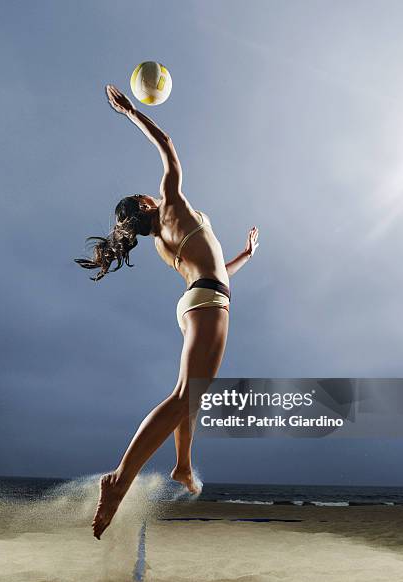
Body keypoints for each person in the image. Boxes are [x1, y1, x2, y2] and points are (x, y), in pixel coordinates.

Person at [75, 85, 259, 539]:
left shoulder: (162, 243)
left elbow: (214, 270)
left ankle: (181, 465)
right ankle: (119, 480)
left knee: (190, 393)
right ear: (145, 205)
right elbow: (169, 148)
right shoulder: (171, 203)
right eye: (146, 195)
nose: (151, 194)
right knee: (185, 395)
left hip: (198, 298)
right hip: (206, 300)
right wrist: (133, 113)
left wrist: (245, 256)